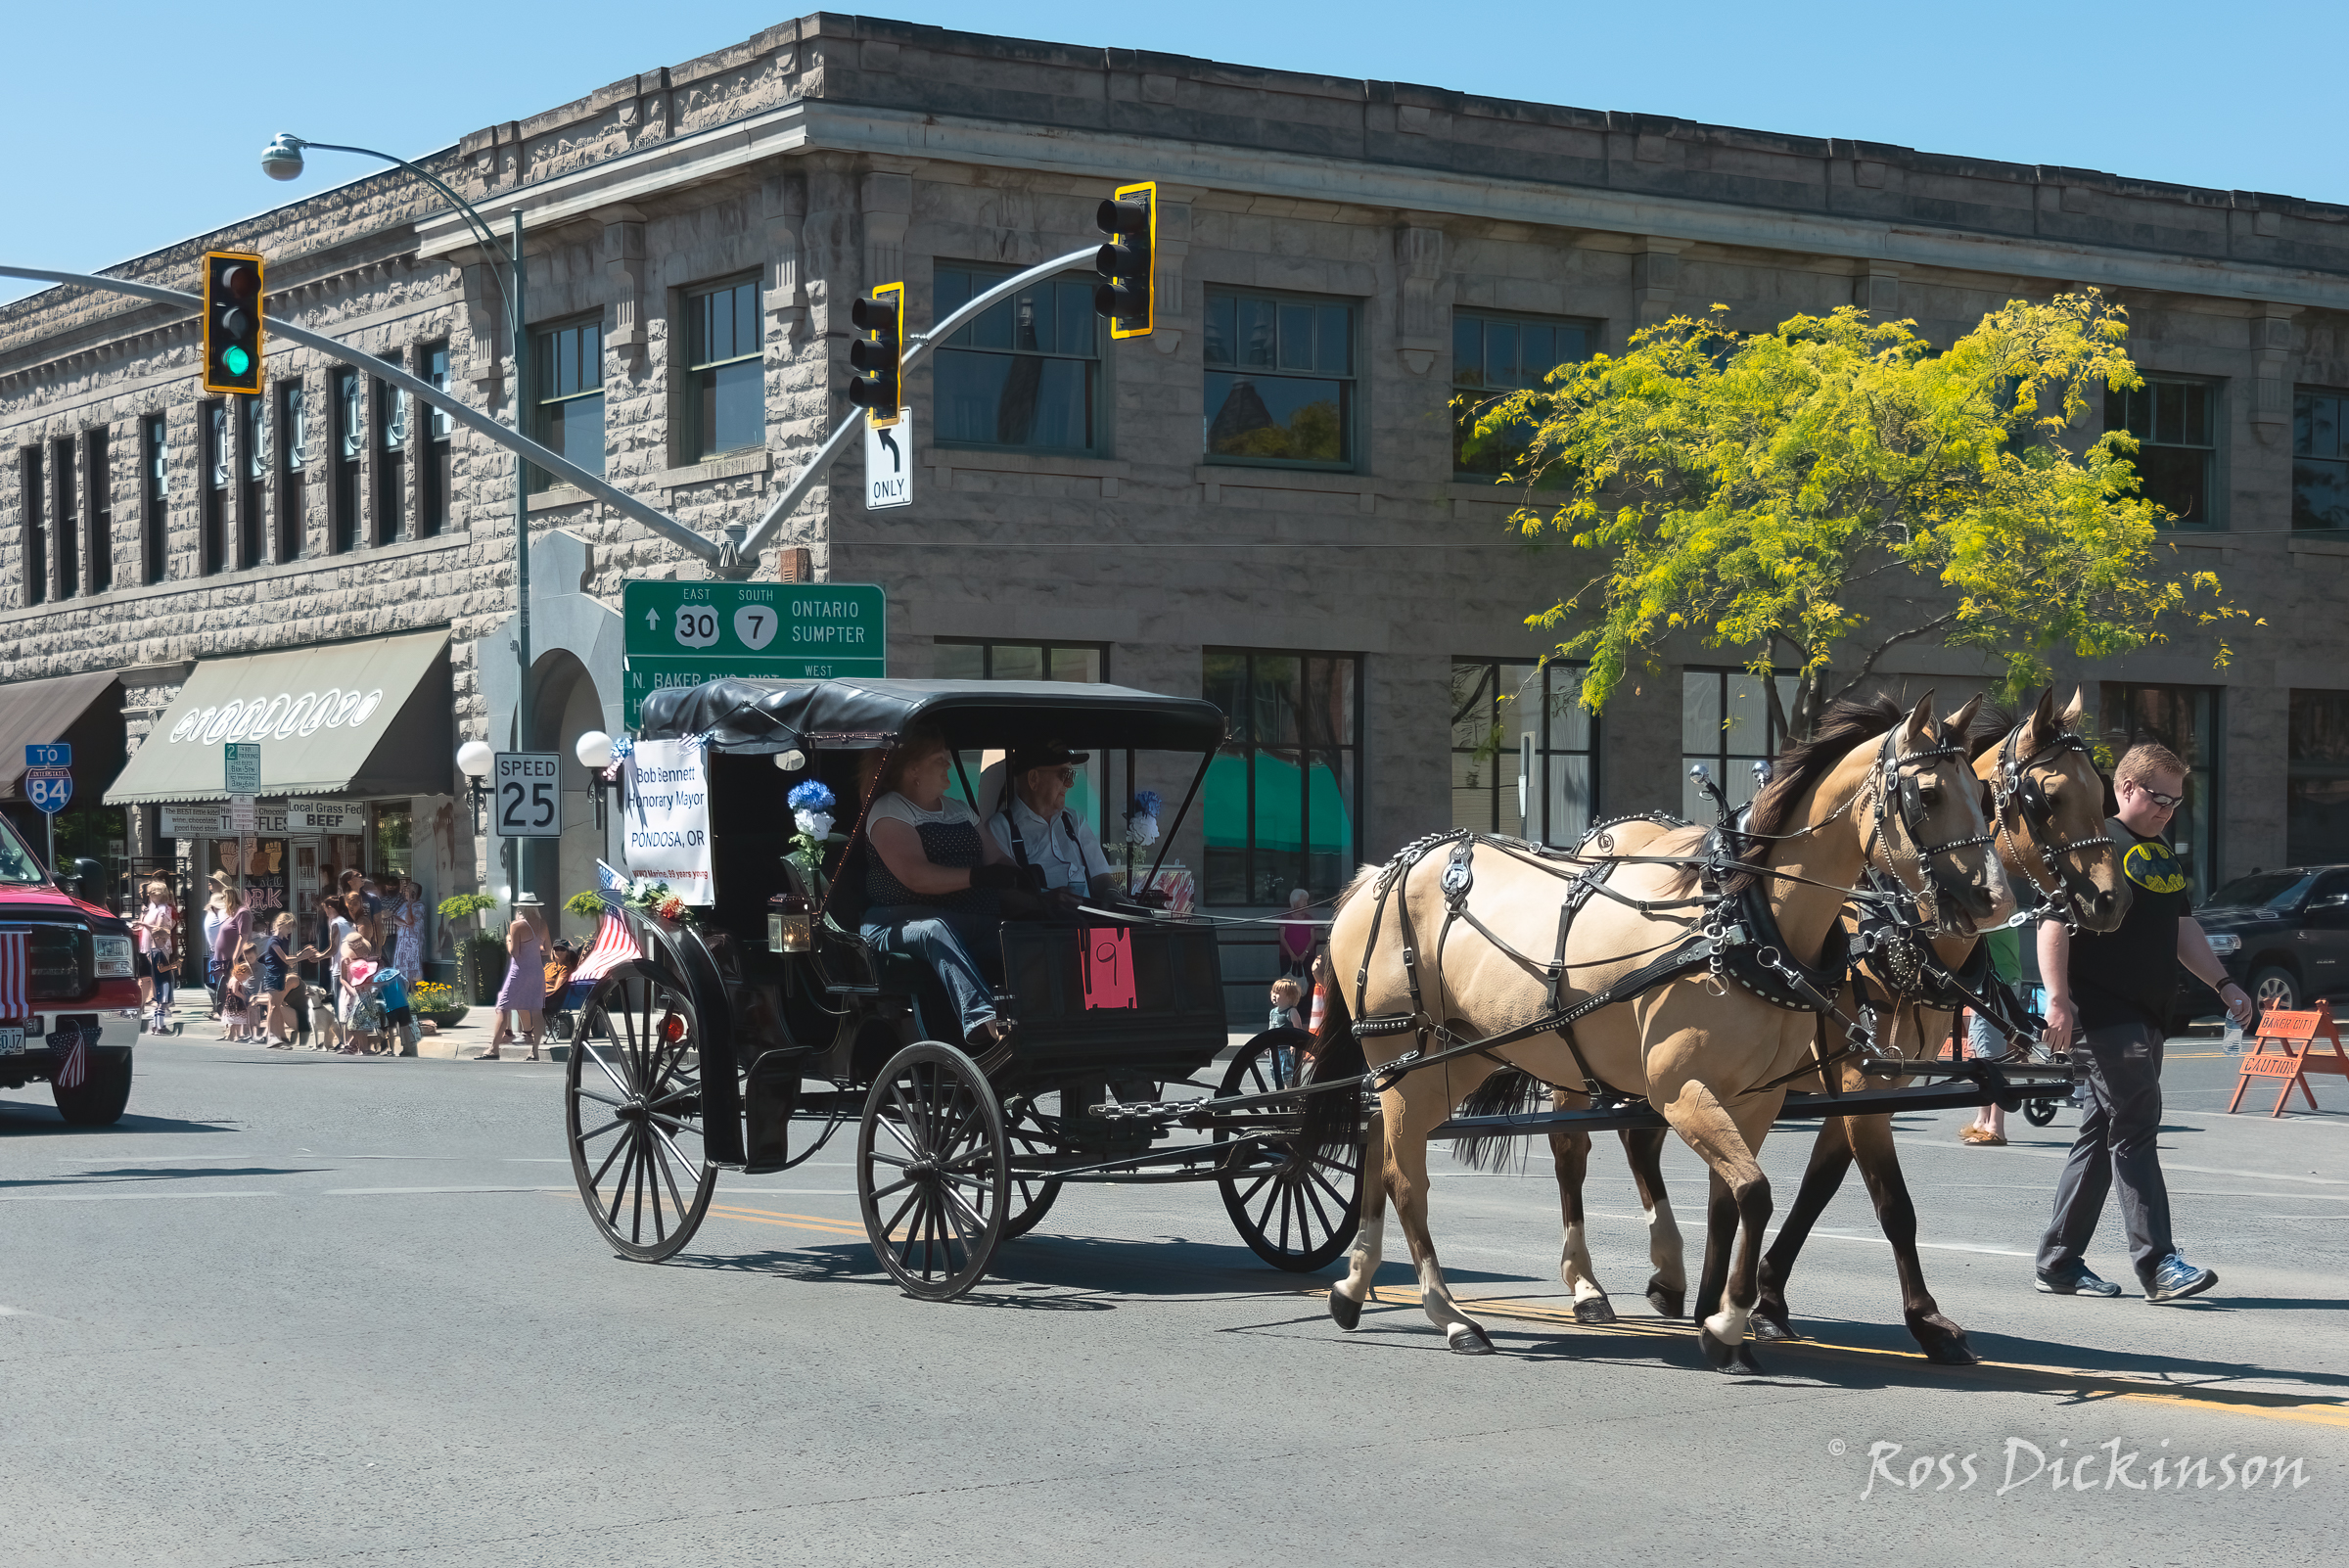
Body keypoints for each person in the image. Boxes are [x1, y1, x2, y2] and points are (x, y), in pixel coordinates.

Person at [2035, 742, 2246, 1304]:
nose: (2167, 811)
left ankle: (2058, 1262)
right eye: (2158, 798)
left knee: (2101, 1135)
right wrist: (2057, 999)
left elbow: (2182, 929)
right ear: (2125, 789)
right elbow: (2054, 922)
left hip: (2150, 1014)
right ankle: (2158, 1263)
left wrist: (2223, 984)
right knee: (2135, 1124)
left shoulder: (2162, 854)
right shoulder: (2093, 842)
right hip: (2104, 1012)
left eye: (2176, 802)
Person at [863, 721, 1027, 1046]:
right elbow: (916, 876)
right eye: (939, 759)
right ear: (914, 770)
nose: (948, 764)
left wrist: (1025, 880)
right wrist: (976, 877)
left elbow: (995, 858)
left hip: (971, 920)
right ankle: (982, 1019)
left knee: (1021, 938)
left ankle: (1042, 1011)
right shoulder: (889, 810)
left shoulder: (959, 810)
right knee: (936, 929)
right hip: (899, 920)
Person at [986, 742, 1118, 905]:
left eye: (1071, 775)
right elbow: (1002, 893)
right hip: (1039, 927)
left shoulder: (1075, 820)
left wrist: (1112, 894)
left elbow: (1100, 875)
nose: (1070, 784)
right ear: (1033, 779)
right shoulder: (999, 828)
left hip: (1086, 923)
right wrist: (1045, 902)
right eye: (1065, 775)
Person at [1959, 922, 2025, 1145]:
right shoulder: (2004, 910)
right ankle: (1983, 1120)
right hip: (2000, 981)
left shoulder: (1991, 912)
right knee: (1986, 1056)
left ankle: (1995, 1127)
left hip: (1993, 984)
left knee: (1992, 1058)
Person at [479, 894, 548, 1062]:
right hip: (537, 972)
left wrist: (509, 940)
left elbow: (514, 953)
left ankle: (493, 1048)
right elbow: (547, 949)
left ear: (521, 908)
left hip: (519, 972)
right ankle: (535, 1052)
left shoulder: (516, 925)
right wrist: (533, 949)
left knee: (503, 1007)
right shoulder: (542, 924)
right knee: (537, 1011)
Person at [258, 913, 321, 1048]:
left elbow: (289, 962)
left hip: (281, 975)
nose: (290, 930)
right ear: (281, 925)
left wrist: (303, 953)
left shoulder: (283, 941)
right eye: (288, 927)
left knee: (278, 1006)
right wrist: (303, 957)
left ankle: (280, 1036)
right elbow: (286, 959)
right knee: (274, 1007)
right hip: (272, 977)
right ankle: (271, 1036)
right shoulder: (274, 941)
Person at [341, 939, 387, 1055]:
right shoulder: (348, 963)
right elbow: (344, 978)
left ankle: (351, 1046)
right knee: (361, 1026)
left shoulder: (361, 963)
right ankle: (364, 1048)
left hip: (364, 998)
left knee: (361, 1024)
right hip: (359, 999)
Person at [388, 877, 427, 984]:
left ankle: (413, 991)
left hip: (412, 943)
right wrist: (404, 922)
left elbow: (409, 921)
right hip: (402, 941)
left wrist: (410, 904)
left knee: (412, 968)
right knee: (401, 968)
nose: (406, 892)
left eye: (409, 890)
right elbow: (395, 919)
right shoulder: (404, 905)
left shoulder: (419, 906)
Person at [1277, 887, 1318, 979]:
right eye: (1303, 901)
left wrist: (1304, 954)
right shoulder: (1285, 918)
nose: (1306, 904)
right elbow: (1282, 937)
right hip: (1287, 957)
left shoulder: (1309, 919)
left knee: (1307, 983)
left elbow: (1313, 938)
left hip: (1307, 957)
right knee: (1287, 984)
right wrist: (1292, 955)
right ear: (1295, 903)